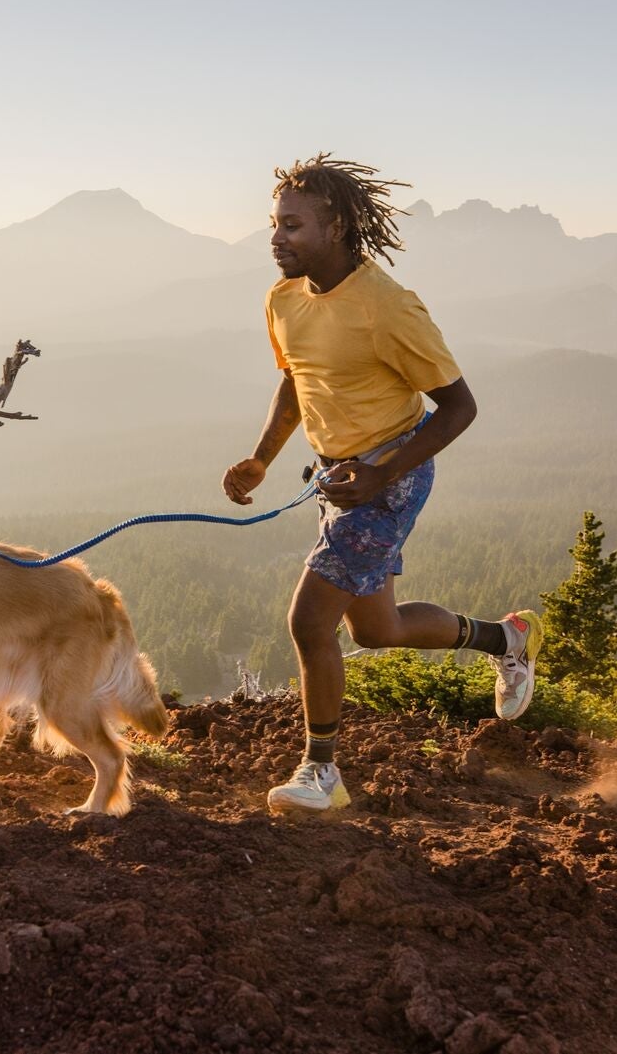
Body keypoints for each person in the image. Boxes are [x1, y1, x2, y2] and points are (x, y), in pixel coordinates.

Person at [222, 154, 542, 814]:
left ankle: (322, 771)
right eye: (274, 224)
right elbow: (297, 379)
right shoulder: (283, 299)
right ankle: (509, 639)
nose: (276, 238)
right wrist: (260, 457)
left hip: (390, 473)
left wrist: (379, 475)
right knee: (377, 629)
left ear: (336, 224)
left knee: (309, 621)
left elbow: (459, 407)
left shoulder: (387, 307)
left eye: (293, 225)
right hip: (340, 476)